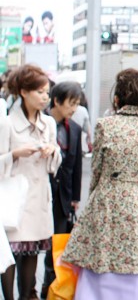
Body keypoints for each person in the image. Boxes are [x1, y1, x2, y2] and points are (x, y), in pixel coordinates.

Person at [61, 68, 138, 300]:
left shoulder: (105, 125)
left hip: (109, 196)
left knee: (102, 252)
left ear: (117, 99)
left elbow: (97, 170)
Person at [0, 64, 62, 300]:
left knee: (32, 251)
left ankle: (26, 296)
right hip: (13, 198)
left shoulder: (49, 124)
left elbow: (55, 165)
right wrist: (15, 154)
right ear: (24, 92)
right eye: (40, 92)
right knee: (9, 254)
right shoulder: (7, 123)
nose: (45, 97)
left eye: (47, 92)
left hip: (38, 198)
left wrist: (52, 151)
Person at [41, 81, 84, 299]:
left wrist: (75, 197)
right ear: (56, 101)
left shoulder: (74, 129)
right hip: (40, 193)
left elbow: (76, 166)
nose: (74, 108)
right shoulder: (41, 124)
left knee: (56, 245)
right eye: (71, 103)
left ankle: (49, 288)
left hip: (62, 197)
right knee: (30, 245)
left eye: (77, 104)